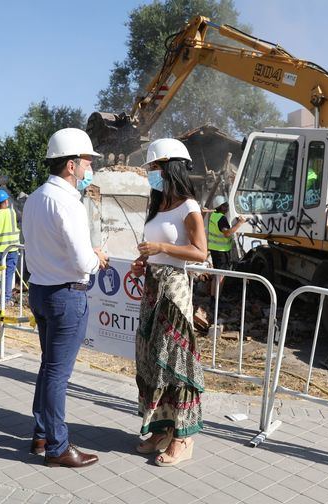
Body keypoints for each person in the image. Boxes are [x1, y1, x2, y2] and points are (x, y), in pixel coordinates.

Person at [23, 128, 109, 468]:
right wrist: (97, 257)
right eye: (87, 161)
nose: (90, 167)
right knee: (58, 374)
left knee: (48, 368)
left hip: (40, 291)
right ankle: (57, 447)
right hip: (67, 295)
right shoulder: (69, 203)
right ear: (71, 165)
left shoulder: (35, 198)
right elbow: (81, 260)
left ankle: (41, 434)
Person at [130, 138, 207, 467]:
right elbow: (155, 247)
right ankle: (162, 428)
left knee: (176, 361)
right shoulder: (158, 205)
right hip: (152, 288)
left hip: (174, 292)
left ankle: (183, 436)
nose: (151, 174)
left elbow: (200, 252)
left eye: (155, 168)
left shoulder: (189, 207)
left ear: (171, 167)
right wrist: (143, 261)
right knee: (151, 359)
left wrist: (161, 249)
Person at [207, 195, 247, 307]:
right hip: (221, 251)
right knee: (221, 276)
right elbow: (227, 233)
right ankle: (217, 301)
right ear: (220, 206)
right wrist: (239, 223)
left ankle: (213, 299)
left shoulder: (214, 215)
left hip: (216, 250)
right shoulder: (221, 218)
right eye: (225, 205)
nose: (227, 207)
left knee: (216, 275)